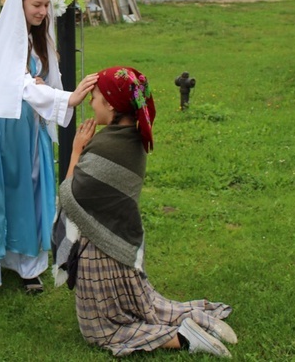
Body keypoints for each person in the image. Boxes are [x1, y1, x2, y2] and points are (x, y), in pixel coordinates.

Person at [52, 67, 237, 358]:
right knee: (146, 307)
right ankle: (199, 319)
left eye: (96, 97)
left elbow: (69, 197)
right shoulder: (132, 138)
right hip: (123, 252)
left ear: (111, 104)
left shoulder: (104, 149)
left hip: (102, 257)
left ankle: (183, 337)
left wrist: (76, 152)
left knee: (99, 331)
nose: (91, 103)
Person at [0, 0, 98, 294]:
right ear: (19, 4)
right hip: (6, 131)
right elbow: (18, 85)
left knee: (29, 196)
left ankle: (27, 266)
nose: (43, 11)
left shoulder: (38, 39)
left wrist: (50, 93)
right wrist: (66, 99)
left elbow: (45, 81)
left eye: (47, 4)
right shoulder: (8, 40)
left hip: (29, 132)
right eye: (37, 4)